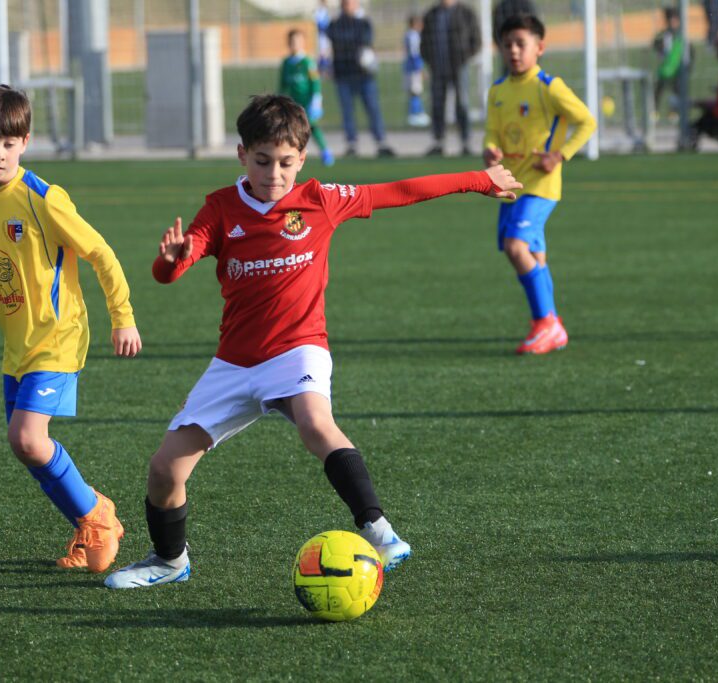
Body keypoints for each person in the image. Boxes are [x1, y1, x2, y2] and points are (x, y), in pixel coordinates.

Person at [103, 94, 522, 589]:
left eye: (285, 163)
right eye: (262, 161)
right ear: (242, 155)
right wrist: (172, 259)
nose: (274, 173)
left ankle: (379, 532)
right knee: (164, 469)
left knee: (315, 423)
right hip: (234, 363)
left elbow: (400, 189)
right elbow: (170, 271)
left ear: (301, 159)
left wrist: (478, 180)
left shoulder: (322, 199)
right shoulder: (220, 208)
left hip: (299, 349)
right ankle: (169, 561)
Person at [0, 85, 142, 571]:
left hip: (57, 338)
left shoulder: (43, 199)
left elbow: (101, 254)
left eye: (7, 143)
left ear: (25, 142)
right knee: (28, 450)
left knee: (26, 439)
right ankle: (90, 525)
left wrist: (122, 318)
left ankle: (98, 516)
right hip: (16, 348)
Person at [483, 14, 597, 355]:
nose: (514, 51)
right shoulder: (498, 91)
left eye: (521, 44)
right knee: (528, 253)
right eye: (508, 45)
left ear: (540, 47)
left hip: (541, 184)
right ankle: (553, 326)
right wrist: (490, 148)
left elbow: (587, 121)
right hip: (511, 184)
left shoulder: (549, 86)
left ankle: (545, 322)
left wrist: (559, 156)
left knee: (516, 247)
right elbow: (492, 130)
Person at [326, 0, 396, 158]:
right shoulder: (335, 25)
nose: (347, 5)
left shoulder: (364, 23)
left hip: (364, 75)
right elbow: (332, 42)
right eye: (345, 3)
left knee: (372, 108)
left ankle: (380, 142)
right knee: (348, 111)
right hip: (343, 75)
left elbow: (365, 42)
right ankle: (352, 144)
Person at [421, 0, 481, 156]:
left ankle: (465, 142)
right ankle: (438, 142)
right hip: (438, 67)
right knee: (437, 104)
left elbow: (476, 39)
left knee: (462, 104)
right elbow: (424, 42)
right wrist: (430, 60)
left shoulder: (465, 13)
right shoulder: (432, 14)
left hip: (459, 67)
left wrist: (464, 57)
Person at [280, 28, 334, 166]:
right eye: (292, 41)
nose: (295, 44)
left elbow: (315, 82)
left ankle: (325, 152)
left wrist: (316, 100)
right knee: (291, 128)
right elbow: (283, 84)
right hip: (293, 103)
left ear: (303, 43)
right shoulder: (286, 63)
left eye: (298, 41)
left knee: (313, 127)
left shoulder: (308, 62)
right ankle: (293, 155)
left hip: (307, 102)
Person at [652, 7, 684, 116]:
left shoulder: (681, 35)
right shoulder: (664, 35)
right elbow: (655, 44)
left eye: (674, 20)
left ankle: (674, 112)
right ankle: (655, 111)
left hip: (677, 69)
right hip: (665, 68)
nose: (672, 23)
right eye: (670, 20)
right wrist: (659, 49)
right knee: (658, 90)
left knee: (676, 91)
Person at [404, 13, 431, 127]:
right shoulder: (414, 36)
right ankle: (415, 115)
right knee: (416, 92)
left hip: (409, 68)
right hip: (414, 69)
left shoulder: (408, 35)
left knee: (414, 92)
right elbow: (415, 54)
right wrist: (421, 70)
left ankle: (416, 114)